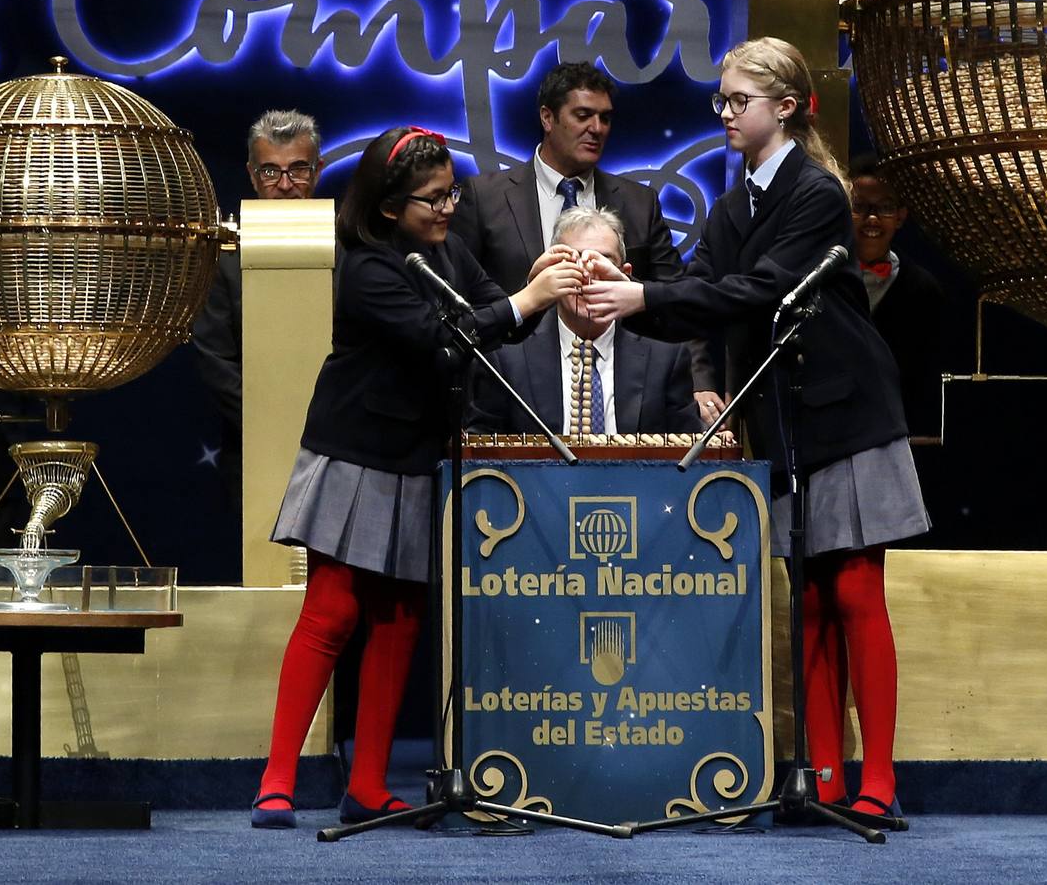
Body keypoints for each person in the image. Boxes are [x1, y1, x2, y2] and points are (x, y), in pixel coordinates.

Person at [582, 37, 929, 823]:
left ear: (787, 107)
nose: (727, 115)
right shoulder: (733, 200)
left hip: (846, 409)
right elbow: (701, 287)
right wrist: (628, 285)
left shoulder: (815, 193)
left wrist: (642, 300)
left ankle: (877, 780)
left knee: (853, 590)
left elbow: (759, 291)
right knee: (806, 601)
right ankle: (821, 781)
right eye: (723, 102)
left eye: (739, 101)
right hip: (782, 417)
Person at [250, 126, 580, 829]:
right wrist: (527, 301)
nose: (447, 208)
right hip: (357, 454)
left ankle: (367, 785)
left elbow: (498, 317)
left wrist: (538, 286)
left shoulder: (448, 251)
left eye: (451, 193)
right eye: (431, 199)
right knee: (333, 611)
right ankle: (276, 781)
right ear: (390, 205)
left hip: (418, 455)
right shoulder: (370, 266)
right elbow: (445, 339)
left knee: (398, 621)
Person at [450, 62, 723, 422]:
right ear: (548, 118)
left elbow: (675, 299)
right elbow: (463, 304)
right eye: (583, 116)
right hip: (514, 396)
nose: (597, 129)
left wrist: (699, 381)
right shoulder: (484, 198)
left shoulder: (639, 203)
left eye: (605, 118)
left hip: (624, 401)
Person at [467, 206, 701, 435]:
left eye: (602, 260)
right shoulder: (505, 359)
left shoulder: (667, 357)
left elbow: (686, 452)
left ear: (625, 274)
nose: (586, 274)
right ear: (549, 271)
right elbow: (479, 455)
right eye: (573, 260)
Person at [192, 109, 327, 505]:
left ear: (319, 170)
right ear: (252, 174)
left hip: (338, 447)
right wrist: (269, 421)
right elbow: (214, 356)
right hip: (252, 444)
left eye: (298, 170)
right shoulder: (224, 256)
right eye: (271, 172)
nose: (285, 184)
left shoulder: (347, 249)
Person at [848, 156, 946, 439]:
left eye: (885, 208)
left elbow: (928, 381)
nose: (873, 219)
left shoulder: (925, 291)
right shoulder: (822, 281)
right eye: (860, 207)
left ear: (901, 216)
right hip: (831, 440)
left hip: (899, 437)